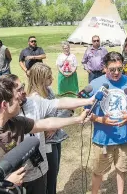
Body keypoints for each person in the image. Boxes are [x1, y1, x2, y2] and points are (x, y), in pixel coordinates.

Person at [0, 76, 91, 191]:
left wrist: (77, 119)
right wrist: (2, 182)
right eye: (16, 97)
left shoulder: (16, 123)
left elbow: (45, 124)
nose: (21, 99)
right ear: (5, 105)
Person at [23, 63, 92, 194]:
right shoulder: (33, 99)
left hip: (56, 139)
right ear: (41, 79)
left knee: (54, 174)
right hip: (46, 144)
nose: (52, 79)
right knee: (49, 178)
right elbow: (34, 125)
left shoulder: (48, 92)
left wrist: (70, 110)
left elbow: (55, 114)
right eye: (49, 77)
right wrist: (50, 127)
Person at [88, 51, 127, 194]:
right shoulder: (96, 84)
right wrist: (100, 119)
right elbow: (86, 112)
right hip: (103, 139)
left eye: (120, 68)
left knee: (121, 169)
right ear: (104, 67)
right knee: (98, 172)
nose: (116, 72)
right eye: (112, 69)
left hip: (124, 137)